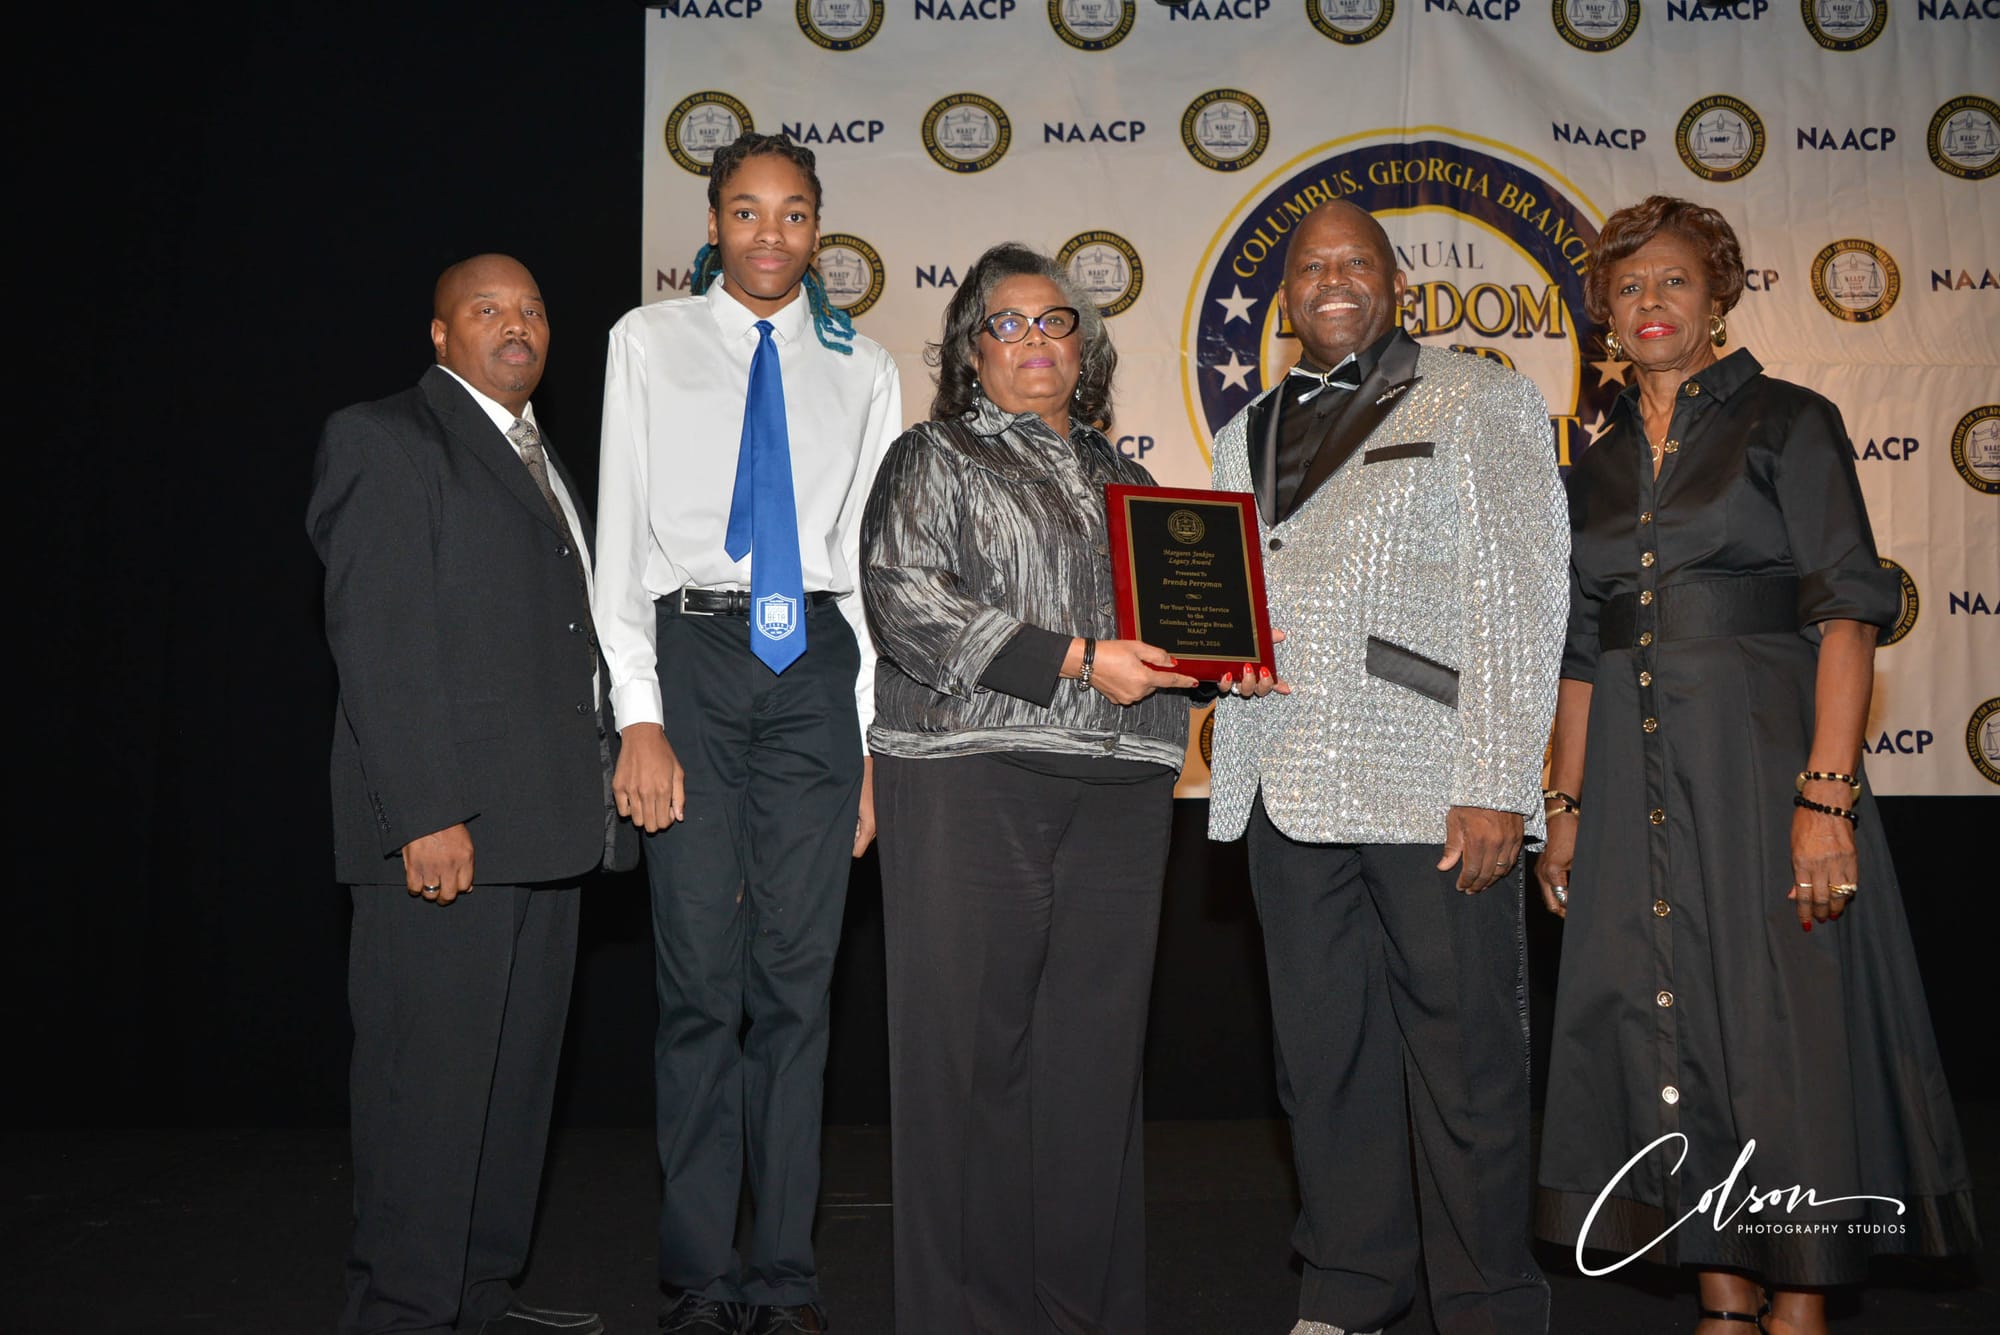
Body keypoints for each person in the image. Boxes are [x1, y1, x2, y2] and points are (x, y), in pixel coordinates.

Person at [1532, 195, 1978, 1335]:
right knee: (1660, 1020)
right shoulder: (1593, 466)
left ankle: (1801, 1302)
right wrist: (1564, 803)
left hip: (1759, 768)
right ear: (1603, 312)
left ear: (1717, 295)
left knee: (1783, 1026)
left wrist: (1824, 795)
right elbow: (1581, 652)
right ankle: (1723, 1301)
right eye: (1628, 286)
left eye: (1673, 280)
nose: (1650, 303)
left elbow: (1847, 610)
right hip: (1628, 782)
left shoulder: (1789, 420)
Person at [1207, 201, 1567, 1335]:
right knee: (1322, 1059)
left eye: (1354, 262)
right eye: (1310, 266)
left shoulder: (1477, 397)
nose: (1332, 279)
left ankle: (1489, 1305)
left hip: (1432, 783)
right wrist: (1222, 663)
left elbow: (1521, 594)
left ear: (1394, 284)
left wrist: (1498, 780)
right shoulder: (1244, 430)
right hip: (1282, 780)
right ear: (1284, 298)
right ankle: (1349, 1287)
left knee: (1466, 1063)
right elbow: (1233, 591)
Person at [594, 133, 902, 1335]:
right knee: (696, 987)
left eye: (793, 213)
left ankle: (782, 1278)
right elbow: (619, 543)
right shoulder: (646, 341)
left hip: (815, 668)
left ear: (819, 227)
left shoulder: (864, 366)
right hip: (694, 657)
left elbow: (870, 572)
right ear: (713, 221)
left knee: (795, 991)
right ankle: (698, 1277)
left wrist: (867, 746)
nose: (769, 233)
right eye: (745, 210)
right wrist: (638, 716)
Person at [859, 242, 1197, 1335]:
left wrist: (1223, 661)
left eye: (1055, 321)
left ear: (1084, 349)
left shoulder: (1132, 482)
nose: (1034, 340)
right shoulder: (932, 455)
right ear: (971, 352)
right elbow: (906, 600)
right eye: (1006, 324)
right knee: (968, 1068)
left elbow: (1175, 626)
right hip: (971, 773)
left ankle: (1081, 1316)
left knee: (1092, 1069)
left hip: (1124, 780)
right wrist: (1076, 659)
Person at [308, 254, 627, 1335]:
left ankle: (478, 1296)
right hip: (448, 835)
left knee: (514, 1089)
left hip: (545, 831)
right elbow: (378, 641)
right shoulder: (385, 437)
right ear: (440, 335)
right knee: (427, 1095)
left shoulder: (539, 454)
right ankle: (403, 1309)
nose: (516, 323)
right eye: (487, 309)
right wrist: (425, 813)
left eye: (531, 308)